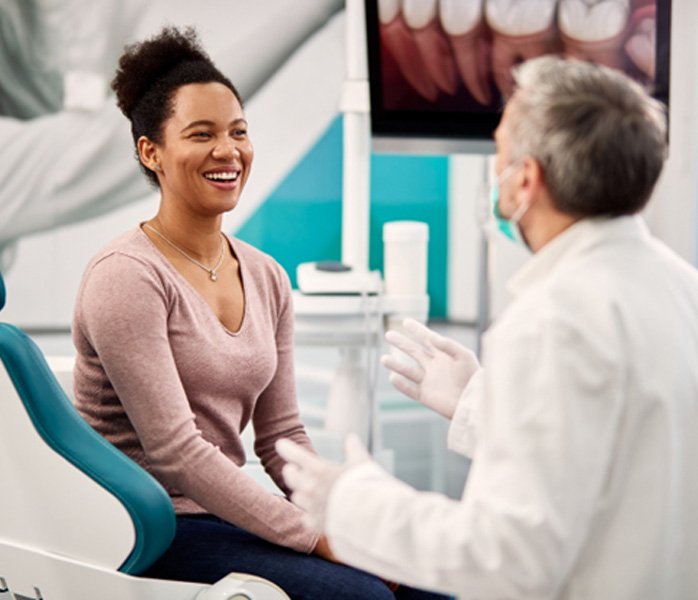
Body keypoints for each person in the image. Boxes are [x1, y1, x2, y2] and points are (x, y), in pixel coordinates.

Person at [277, 55, 698, 599]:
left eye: (499, 152)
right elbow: (624, 457)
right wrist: (482, 405)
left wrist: (354, 503)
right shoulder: (683, 288)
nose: (494, 173)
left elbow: (507, 556)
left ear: (525, 180)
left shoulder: (554, 319)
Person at [72, 26, 446, 600]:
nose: (228, 151)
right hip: (145, 527)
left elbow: (282, 436)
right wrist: (316, 537)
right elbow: (176, 453)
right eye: (201, 135)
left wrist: (340, 514)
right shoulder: (126, 276)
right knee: (362, 597)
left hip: (224, 515)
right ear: (151, 152)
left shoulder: (266, 274)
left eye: (238, 132)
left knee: (432, 582)